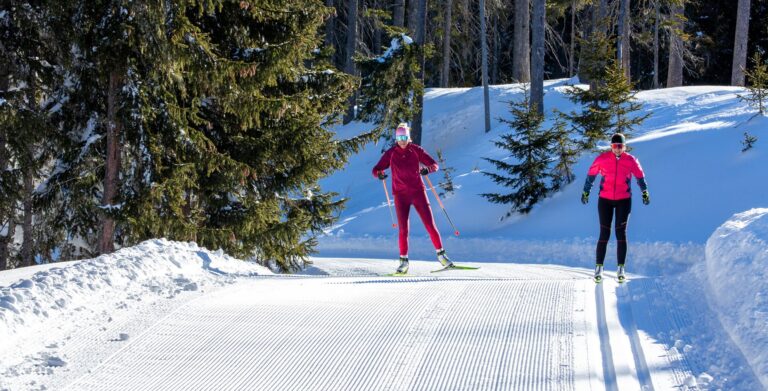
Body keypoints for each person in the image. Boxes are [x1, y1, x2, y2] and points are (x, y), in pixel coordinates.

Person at [372, 123, 453, 274]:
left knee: (430, 225)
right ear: (396, 139)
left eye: (405, 137)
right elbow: (375, 170)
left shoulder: (416, 150)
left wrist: (426, 169)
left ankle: (442, 257)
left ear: (409, 138)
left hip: (418, 193)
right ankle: (403, 262)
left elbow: (434, 165)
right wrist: (380, 174)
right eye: (399, 138)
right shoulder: (391, 153)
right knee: (403, 230)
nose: (402, 141)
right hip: (400, 196)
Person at [581, 133, 650, 283]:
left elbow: (640, 176)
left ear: (624, 147)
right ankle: (599, 268)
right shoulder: (602, 159)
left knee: (621, 234)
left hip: (623, 200)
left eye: (620, 146)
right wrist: (586, 191)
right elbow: (591, 175)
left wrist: (644, 192)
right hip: (605, 200)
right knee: (604, 233)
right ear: (611, 147)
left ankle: (621, 269)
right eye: (614, 146)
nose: (617, 149)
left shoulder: (631, 160)